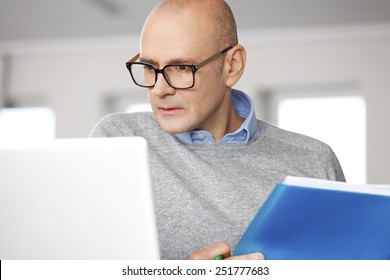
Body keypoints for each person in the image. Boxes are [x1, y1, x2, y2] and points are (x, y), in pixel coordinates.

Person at [89, 0, 345, 260]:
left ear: (232, 66)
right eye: (148, 67)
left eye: (181, 68)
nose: (159, 89)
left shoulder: (314, 161)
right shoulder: (117, 140)